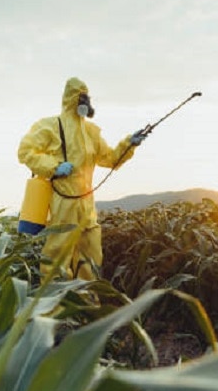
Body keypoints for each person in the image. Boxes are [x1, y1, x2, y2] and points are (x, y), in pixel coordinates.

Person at [17, 77, 146, 281]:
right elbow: (25, 151)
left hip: (87, 207)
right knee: (57, 260)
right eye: (81, 98)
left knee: (91, 260)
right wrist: (54, 167)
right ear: (72, 99)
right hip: (63, 205)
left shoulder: (91, 132)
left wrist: (129, 144)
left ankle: (87, 307)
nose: (85, 102)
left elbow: (110, 159)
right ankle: (55, 309)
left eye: (87, 98)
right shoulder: (50, 126)